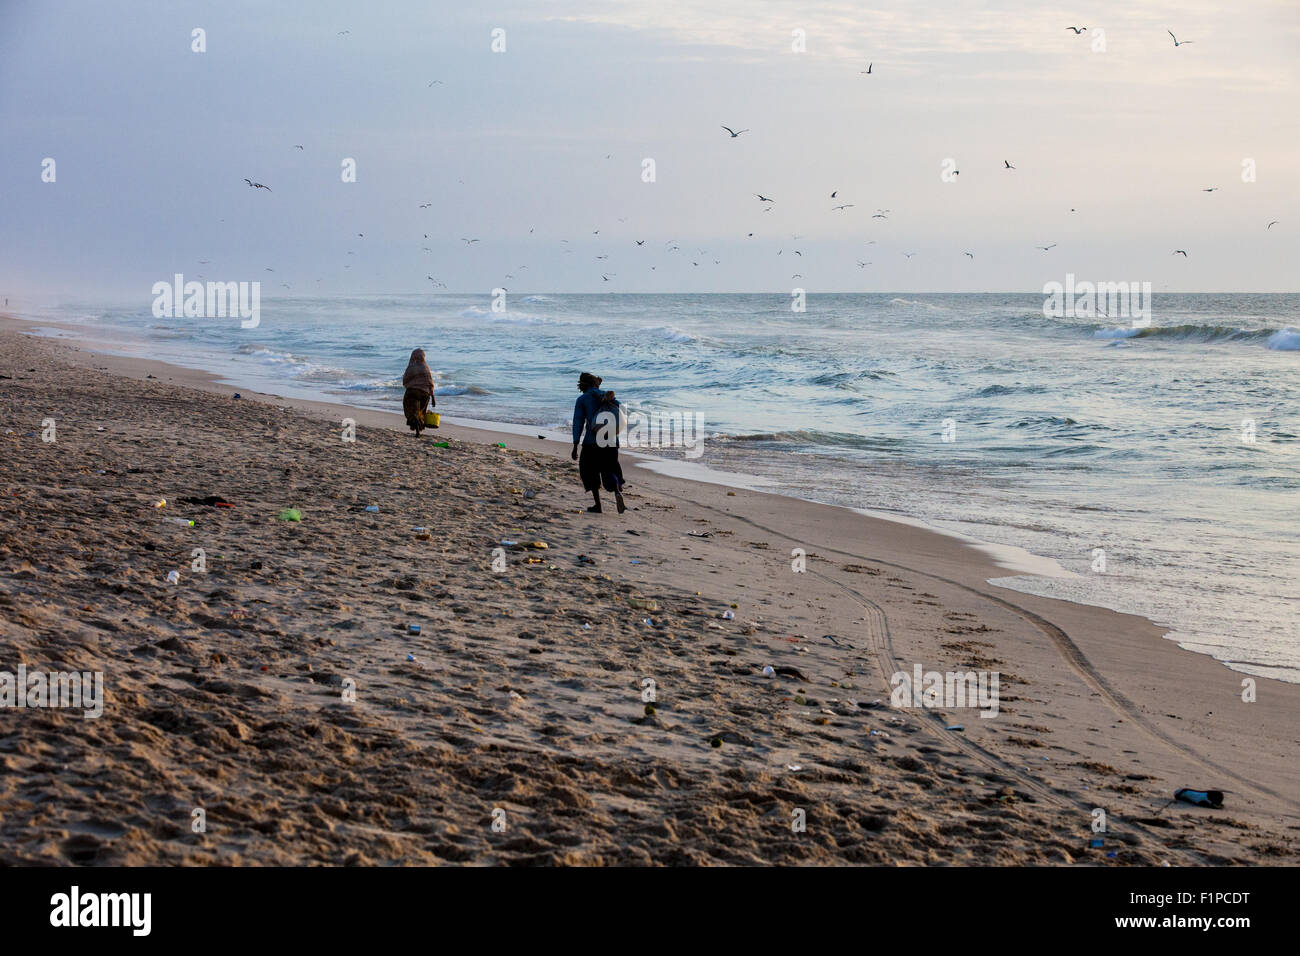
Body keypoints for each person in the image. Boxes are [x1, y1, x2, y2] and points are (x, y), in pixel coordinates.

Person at [571, 372, 625, 514]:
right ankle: (617, 491)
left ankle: (598, 505)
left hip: (592, 442)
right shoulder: (609, 397)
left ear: (582, 386)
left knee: (590, 471)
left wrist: (575, 444)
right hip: (611, 441)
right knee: (610, 468)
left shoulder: (583, 399)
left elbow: (578, 422)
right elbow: (620, 415)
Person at [401, 348, 436, 435]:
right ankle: (419, 429)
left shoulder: (411, 367)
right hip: (425, 393)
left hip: (412, 392)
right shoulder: (426, 367)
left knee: (411, 410)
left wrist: (408, 385)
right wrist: (433, 397)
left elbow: (405, 380)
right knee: (421, 411)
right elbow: (430, 382)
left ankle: (416, 427)